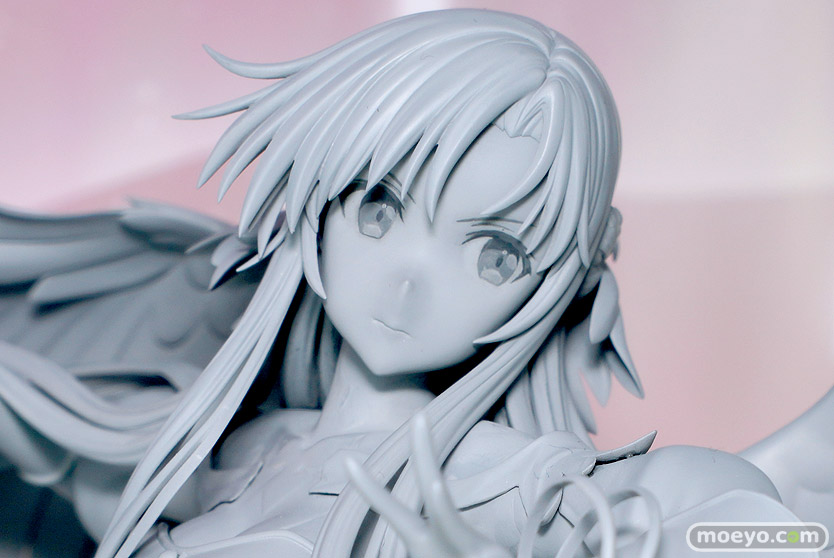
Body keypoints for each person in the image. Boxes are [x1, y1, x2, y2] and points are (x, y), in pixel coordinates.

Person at [0, 10, 827, 558]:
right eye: (379, 209)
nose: (407, 286)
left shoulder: (498, 482)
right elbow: (82, 467)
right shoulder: (247, 449)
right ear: (318, 196)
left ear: (554, 288)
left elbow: (768, 531)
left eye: (497, 255)